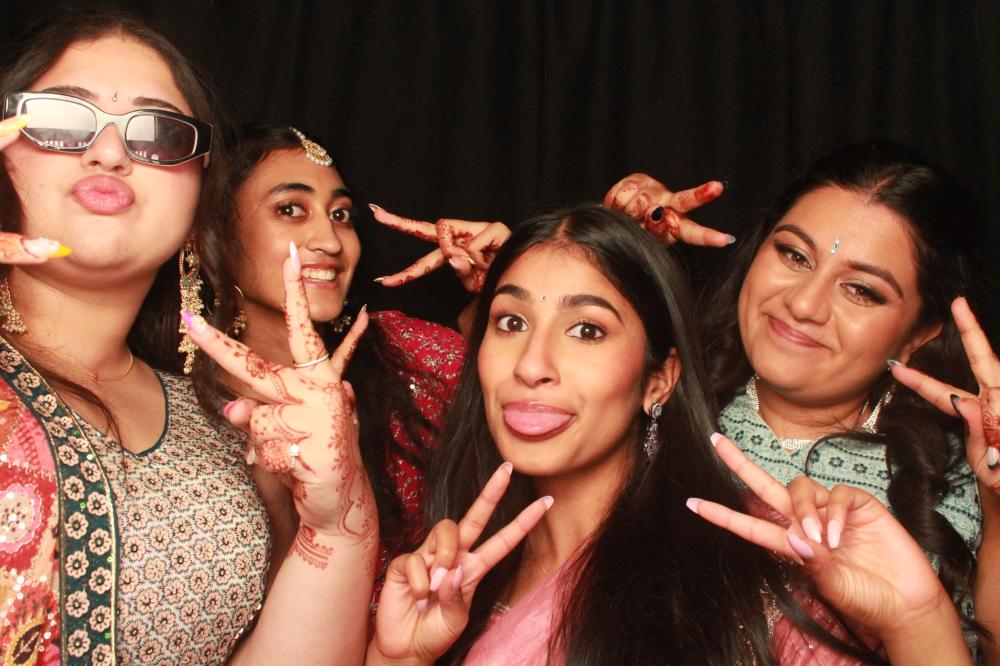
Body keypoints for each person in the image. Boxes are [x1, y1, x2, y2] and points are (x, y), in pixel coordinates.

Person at [362, 203, 972, 665]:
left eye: (587, 331)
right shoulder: (451, 570)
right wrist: (398, 659)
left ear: (659, 380)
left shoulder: (740, 579)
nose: (531, 365)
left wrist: (919, 620)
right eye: (511, 322)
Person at [0, 12, 376, 663]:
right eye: (60, 118)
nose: (110, 152)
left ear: (201, 195)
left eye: (158, 133)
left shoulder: (219, 426)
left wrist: (340, 527)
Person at [604, 142, 997, 659]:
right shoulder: (660, 397)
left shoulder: (954, 478)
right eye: (793, 255)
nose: (804, 303)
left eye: (861, 290)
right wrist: (606, 257)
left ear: (919, 333)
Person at [186, 123, 511, 596]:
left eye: (340, 215)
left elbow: (524, 392)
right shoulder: (178, 409)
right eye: (291, 209)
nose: (331, 241)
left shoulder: (403, 353)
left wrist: (508, 285)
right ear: (213, 235)